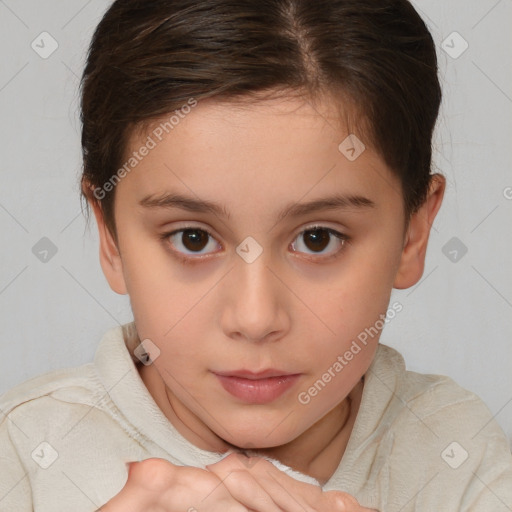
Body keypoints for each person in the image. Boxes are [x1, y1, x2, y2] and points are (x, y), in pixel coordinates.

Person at [1, 0, 511, 510]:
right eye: (193, 239)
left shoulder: (463, 461)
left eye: (317, 239)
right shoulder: (22, 457)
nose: (254, 318)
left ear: (412, 235)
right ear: (110, 237)